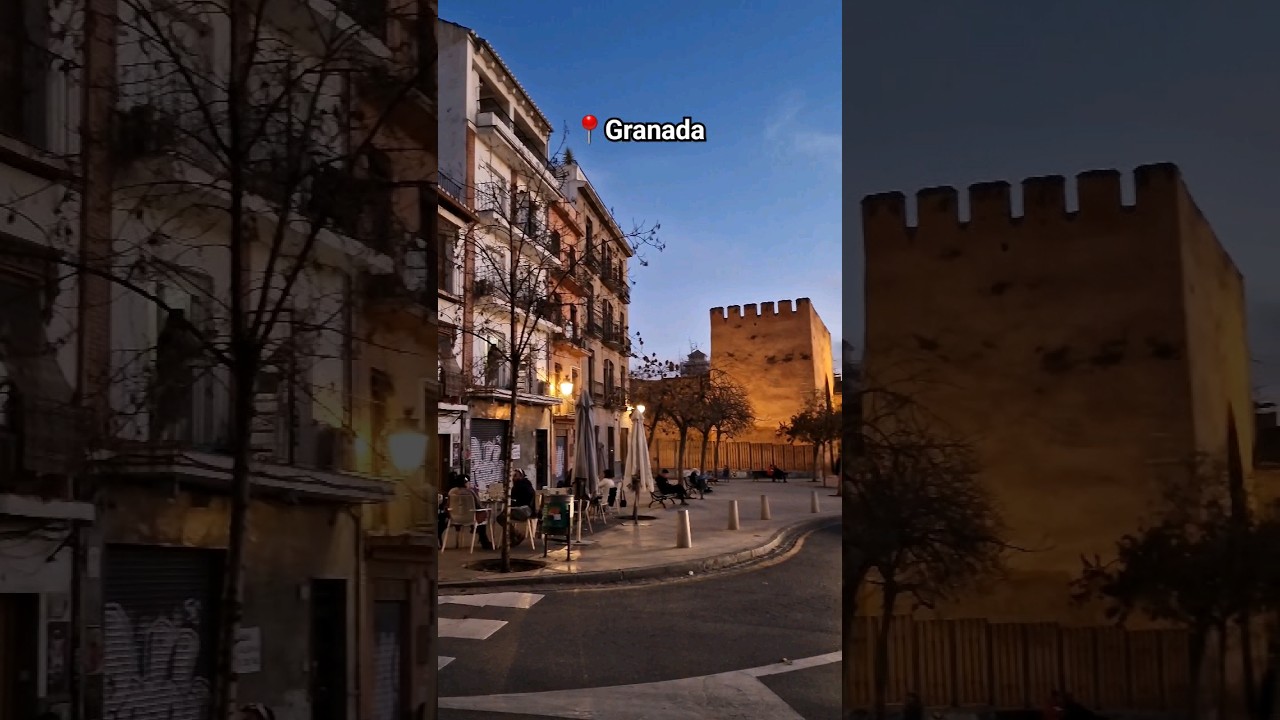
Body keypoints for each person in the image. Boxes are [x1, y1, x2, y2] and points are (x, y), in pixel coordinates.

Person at [497, 469, 537, 545]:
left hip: (524, 510)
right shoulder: (526, 484)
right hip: (527, 510)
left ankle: (516, 535)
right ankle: (515, 536)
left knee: (502, 517)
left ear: (521, 476)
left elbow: (516, 500)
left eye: (515, 476)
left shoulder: (520, 486)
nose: (513, 478)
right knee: (503, 516)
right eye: (513, 476)